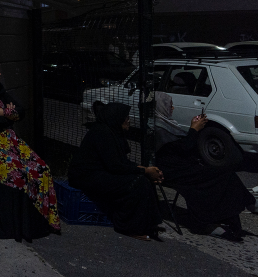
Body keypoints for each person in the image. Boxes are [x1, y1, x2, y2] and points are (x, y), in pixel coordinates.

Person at [0, 59, 60, 241]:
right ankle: (17, 228)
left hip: (7, 142)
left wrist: (2, 112)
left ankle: (41, 223)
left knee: (41, 168)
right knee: (19, 174)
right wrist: (7, 114)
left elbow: (21, 110)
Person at [154, 92, 256, 241]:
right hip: (172, 172)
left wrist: (194, 129)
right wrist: (194, 129)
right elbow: (183, 148)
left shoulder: (164, 123)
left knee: (224, 174)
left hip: (181, 168)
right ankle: (245, 205)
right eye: (170, 105)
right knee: (219, 177)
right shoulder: (158, 127)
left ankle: (239, 211)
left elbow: (182, 149)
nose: (173, 107)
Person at [68, 101, 164, 241]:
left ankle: (148, 223)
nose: (128, 121)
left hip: (101, 172)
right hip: (87, 176)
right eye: (126, 118)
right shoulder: (102, 132)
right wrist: (144, 171)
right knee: (138, 182)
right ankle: (129, 227)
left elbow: (122, 163)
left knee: (143, 179)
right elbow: (115, 166)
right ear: (117, 118)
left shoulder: (113, 132)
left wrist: (147, 171)